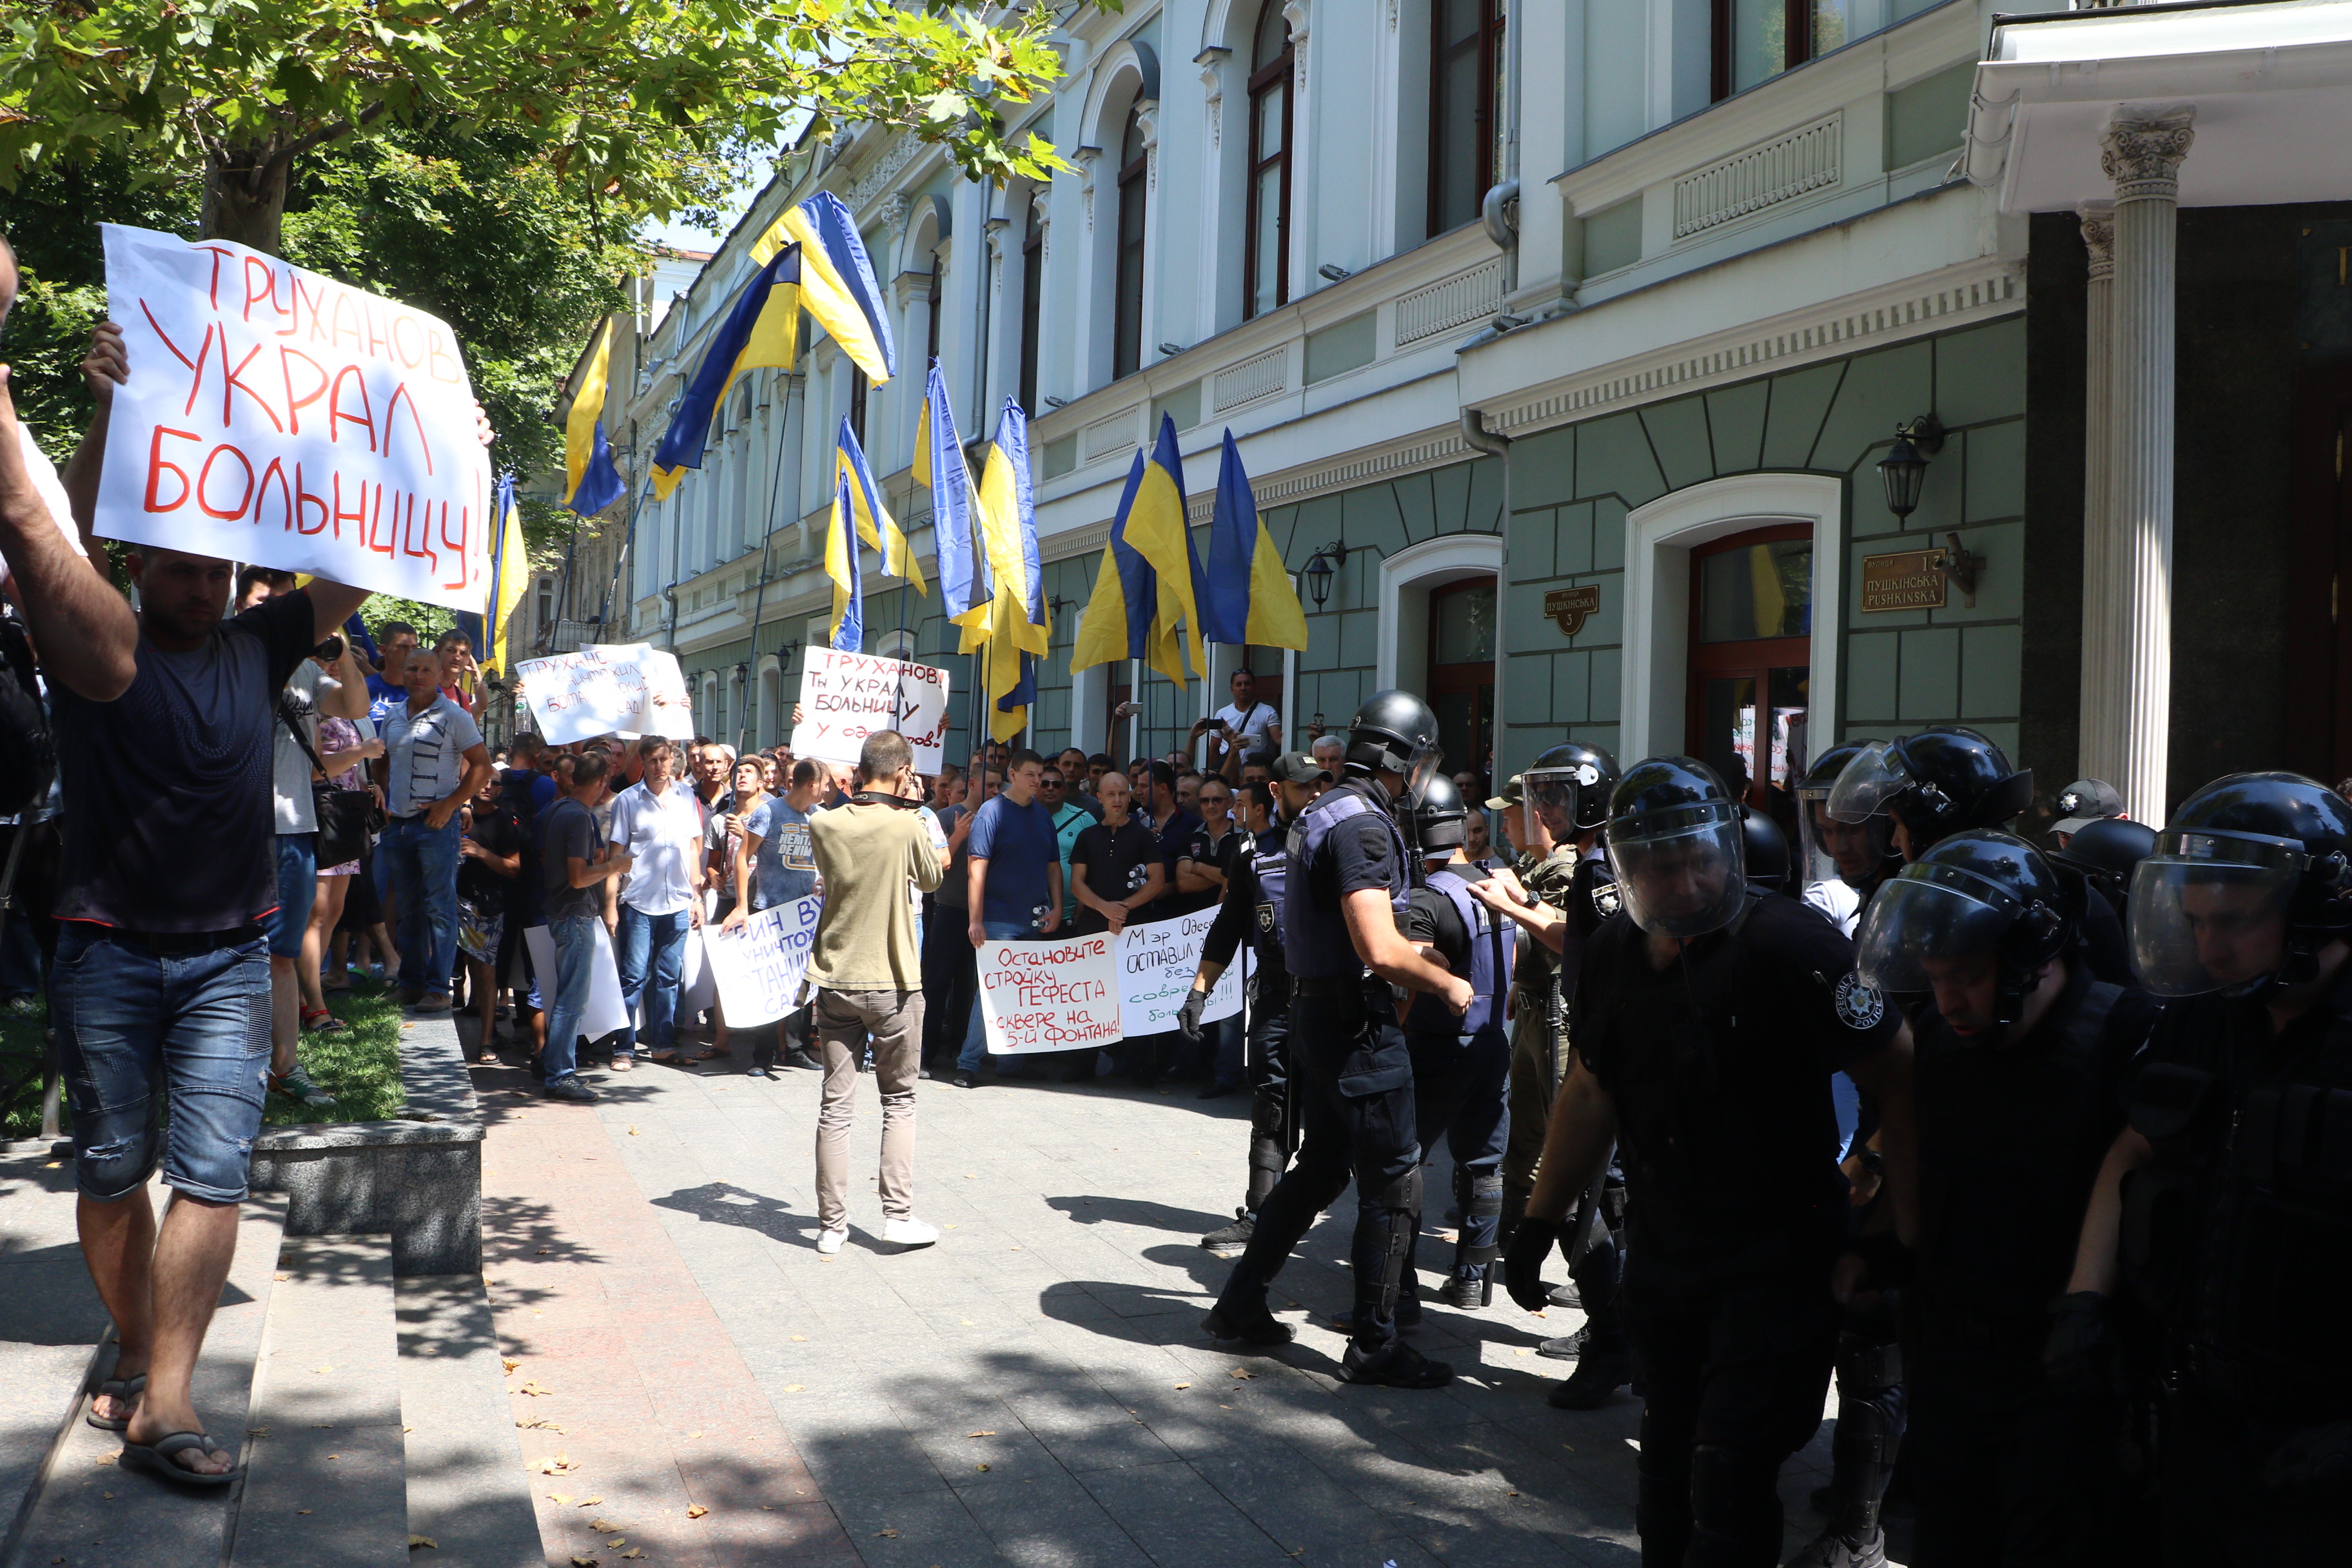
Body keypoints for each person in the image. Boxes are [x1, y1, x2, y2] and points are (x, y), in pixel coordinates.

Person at [8, 306, 378, 1480]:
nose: (204, 580)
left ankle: (168, 1397)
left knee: (213, 1171)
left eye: (218, 564)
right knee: (115, 1170)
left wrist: (437, 454)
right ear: (137, 561)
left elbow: (360, 568)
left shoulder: (260, 642)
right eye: (180, 561)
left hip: (230, 954)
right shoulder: (99, 648)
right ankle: (134, 1350)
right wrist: (110, 408)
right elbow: (52, 535)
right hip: (108, 949)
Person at [1496, 756, 1917, 1567]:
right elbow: (1589, 1088)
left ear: (1725, 848)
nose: (1686, 879)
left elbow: (1899, 1070)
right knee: (1666, 1474)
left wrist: (1892, 1223)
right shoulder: (1616, 949)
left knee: (1730, 1474)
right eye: (1661, 862)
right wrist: (1538, 1219)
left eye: (1699, 856)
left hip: (1776, 1260)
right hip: (1666, 1254)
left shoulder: (1794, 942)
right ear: (1627, 864)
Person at [2059, 772, 2352, 1565]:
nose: (2208, 948)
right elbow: (2135, 1145)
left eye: (2235, 921)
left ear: (2316, 907)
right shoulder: (2205, 1016)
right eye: (2192, 922)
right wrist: (2085, 1303)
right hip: (2201, 1429)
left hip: (2325, 1454)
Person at [1845, 829, 2153, 1568]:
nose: (1948, 997)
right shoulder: (1942, 1039)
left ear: (2031, 956)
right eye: (1934, 975)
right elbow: (1917, 1154)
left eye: (1968, 976)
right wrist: (1879, 1247)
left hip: (2064, 1375)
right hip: (1953, 1361)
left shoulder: (2124, 1033)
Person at [1204, 692, 1472, 1389]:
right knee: (1394, 1175)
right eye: (1419, 760)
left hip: (1312, 1015)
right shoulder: (1365, 827)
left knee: (1322, 1166)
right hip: (1354, 1023)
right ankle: (1376, 1344)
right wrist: (1444, 983)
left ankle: (1238, 1305)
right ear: (1402, 759)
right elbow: (1380, 947)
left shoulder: (1321, 808)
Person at [805, 730, 946, 1253]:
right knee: (900, 1100)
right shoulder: (907, 825)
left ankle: (831, 1226)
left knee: (835, 1105)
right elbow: (931, 880)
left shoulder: (824, 822)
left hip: (837, 978)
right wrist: (912, 807)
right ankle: (898, 1215)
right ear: (903, 770)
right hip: (893, 981)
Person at [1186, 761, 1318, 1249]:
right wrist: (1198, 991)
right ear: (1276, 791)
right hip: (1276, 998)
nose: (1310, 794)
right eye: (1301, 787)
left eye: (1316, 785)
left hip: (1329, 999)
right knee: (1271, 1105)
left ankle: (1322, 1214)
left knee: (1331, 1112)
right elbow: (1227, 927)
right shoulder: (1253, 857)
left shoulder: (1336, 843)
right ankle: (1262, 1215)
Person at [1398, 775, 1514, 1313]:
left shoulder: (1426, 896)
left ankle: (1399, 1292)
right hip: (1494, 1042)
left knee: (1404, 1162)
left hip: (1437, 1045)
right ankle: (1472, 1279)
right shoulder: (1501, 881)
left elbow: (1411, 968)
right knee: (1484, 1164)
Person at [268, 625, 366, 1102]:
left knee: (282, 951)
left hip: (297, 828)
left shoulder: (309, 671)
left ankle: (285, 1068)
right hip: (240, 827)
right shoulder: (236, 661)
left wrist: (342, 652)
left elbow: (357, 707)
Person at [377, 646, 493, 1011]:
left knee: (440, 908)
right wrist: (383, 798)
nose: (418, 676)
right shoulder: (393, 714)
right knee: (409, 908)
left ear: (439, 673)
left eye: (426, 669)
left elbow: (482, 767)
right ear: (403, 672)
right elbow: (382, 761)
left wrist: (450, 804)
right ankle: (411, 983)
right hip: (399, 826)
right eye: (412, 669)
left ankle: (439, 988)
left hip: (435, 825)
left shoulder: (455, 715)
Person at [955, 750, 1062, 1088]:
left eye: (1041, 775)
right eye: (1031, 775)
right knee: (990, 991)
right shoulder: (992, 812)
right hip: (999, 919)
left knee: (1024, 991)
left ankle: (1012, 1064)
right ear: (1012, 775)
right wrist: (976, 919)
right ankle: (968, 1063)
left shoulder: (1043, 816)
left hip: (1034, 919)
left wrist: (1057, 907)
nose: (1038, 781)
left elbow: (1053, 867)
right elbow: (976, 869)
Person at [606, 738, 707, 1069]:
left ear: (672, 760)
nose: (659, 766)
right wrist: (610, 904)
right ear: (643, 763)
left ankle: (663, 1044)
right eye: (652, 760)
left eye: (664, 759)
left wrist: (697, 896)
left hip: (678, 899)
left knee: (667, 977)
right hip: (638, 900)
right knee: (634, 976)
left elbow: (693, 848)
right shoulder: (628, 800)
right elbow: (616, 856)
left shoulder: (687, 796)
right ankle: (624, 1047)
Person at [298, 649, 384, 1031]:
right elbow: (316, 772)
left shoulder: (343, 707)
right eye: (326, 658)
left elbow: (347, 768)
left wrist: (370, 783)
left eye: (338, 659)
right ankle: (309, 1002)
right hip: (322, 816)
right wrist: (362, 752)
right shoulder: (312, 707)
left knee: (333, 913)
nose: (333, 665)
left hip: (345, 819)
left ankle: (309, 993)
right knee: (315, 914)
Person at [538, 749, 629, 1102]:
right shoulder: (577, 816)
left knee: (568, 998)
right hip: (573, 913)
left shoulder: (556, 809)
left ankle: (554, 1065)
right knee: (571, 1001)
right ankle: (559, 1075)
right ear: (604, 781)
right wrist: (615, 866)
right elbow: (578, 877)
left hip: (560, 911)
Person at [725, 758, 823, 1073]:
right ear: (811, 785)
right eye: (824, 784)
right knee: (768, 983)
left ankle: (794, 1049)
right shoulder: (769, 812)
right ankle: (762, 1056)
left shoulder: (820, 817)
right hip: (769, 910)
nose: (828, 789)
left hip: (805, 914)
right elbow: (743, 857)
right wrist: (742, 905)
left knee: (801, 983)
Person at [1179, 776, 1249, 1095]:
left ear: (1230, 804)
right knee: (1194, 999)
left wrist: (1201, 869)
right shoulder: (1190, 835)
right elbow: (1182, 884)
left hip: (1229, 930)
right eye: (1204, 801)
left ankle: (1227, 1075)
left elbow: (1234, 883)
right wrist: (1219, 875)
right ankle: (1193, 1067)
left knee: (1229, 1010)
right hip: (1189, 933)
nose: (1209, 806)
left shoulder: (1243, 838)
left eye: (1217, 800)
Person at [455, 771, 525, 1063]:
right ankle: (463, 1006)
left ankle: (486, 1041)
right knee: (463, 967)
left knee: (486, 972)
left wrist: (481, 853)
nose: (487, 786)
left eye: (494, 782)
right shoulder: (456, 812)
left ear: (500, 790)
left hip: (486, 907)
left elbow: (514, 867)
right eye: (482, 780)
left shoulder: (505, 821)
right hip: (453, 902)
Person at [1070, 772, 1166, 938]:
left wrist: (1122, 910)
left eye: (1122, 794)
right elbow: (1076, 883)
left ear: (1129, 797)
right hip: (1092, 929)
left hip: (1136, 928)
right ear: (1100, 797)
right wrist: (1104, 908)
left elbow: (1157, 880)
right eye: (1111, 794)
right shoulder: (1086, 836)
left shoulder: (1144, 836)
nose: (1117, 800)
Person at [1044, 762, 1095, 931]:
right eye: (1045, 784)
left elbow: (1098, 862)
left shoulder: (1083, 818)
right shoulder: (1022, 817)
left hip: (1072, 916)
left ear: (1064, 789)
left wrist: (1085, 900)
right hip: (1029, 915)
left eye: (1056, 785)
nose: (1050, 788)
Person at [1206, 666, 1283, 776]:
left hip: (1255, 772)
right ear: (1232, 689)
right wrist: (1211, 773)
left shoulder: (1267, 712)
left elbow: (1280, 740)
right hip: (1228, 770)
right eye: (1239, 684)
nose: (1243, 688)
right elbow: (1214, 748)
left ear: (1254, 687)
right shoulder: (1222, 713)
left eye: (1247, 684)